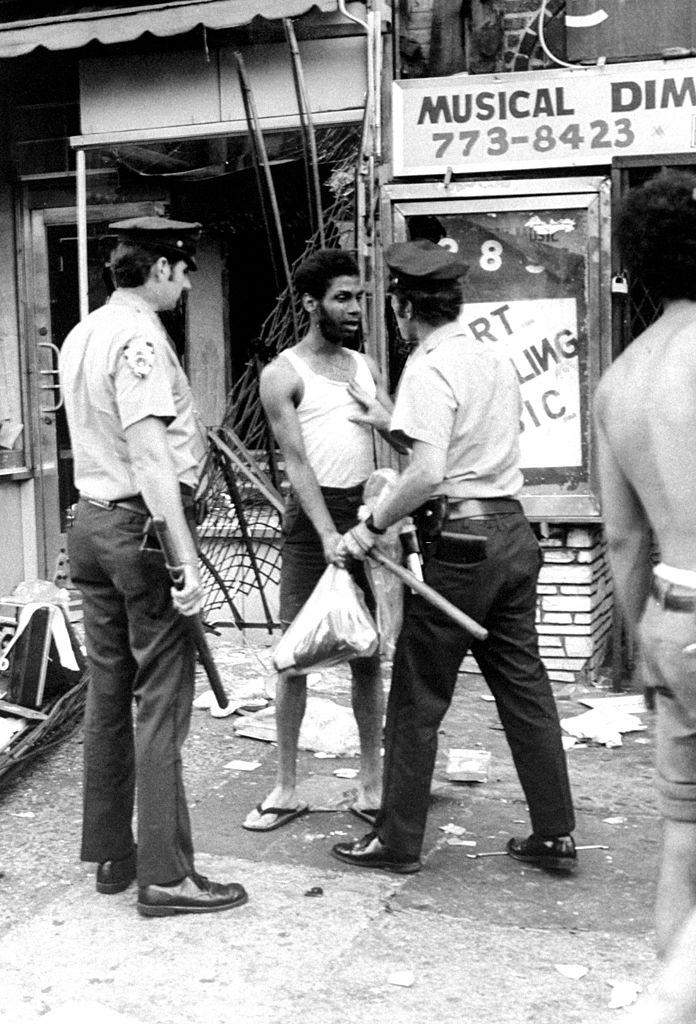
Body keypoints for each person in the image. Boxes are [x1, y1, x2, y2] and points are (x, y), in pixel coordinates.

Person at [331, 238, 576, 874]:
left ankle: (396, 841)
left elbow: (428, 472)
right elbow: (462, 449)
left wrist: (369, 527)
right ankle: (555, 833)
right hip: (512, 534)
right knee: (524, 688)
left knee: (417, 697)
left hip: (462, 546)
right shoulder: (490, 359)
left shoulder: (428, 366)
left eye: (394, 305)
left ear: (404, 307)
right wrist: (388, 421)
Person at [59, 216, 247, 917]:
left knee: (110, 692)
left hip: (91, 523)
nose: (189, 282)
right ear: (161, 268)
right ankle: (166, 876)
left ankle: (116, 854)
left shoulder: (84, 331)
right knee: (163, 699)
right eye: (184, 269)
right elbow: (149, 452)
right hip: (142, 528)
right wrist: (185, 558)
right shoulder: (139, 338)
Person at [594, 169, 696, 1023]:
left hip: (671, 615)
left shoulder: (618, 382)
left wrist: (647, 651)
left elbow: (623, 541)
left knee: (684, 837)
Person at [243, 249, 391, 832]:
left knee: (367, 654)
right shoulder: (282, 375)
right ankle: (285, 787)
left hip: (367, 513)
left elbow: (400, 438)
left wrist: (385, 421)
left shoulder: (366, 367)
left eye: (359, 297)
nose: (354, 308)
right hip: (312, 523)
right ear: (311, 303)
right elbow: (297, 464)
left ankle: (371, 783)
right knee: (294, 657)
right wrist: (329, 533)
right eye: (342, 298)